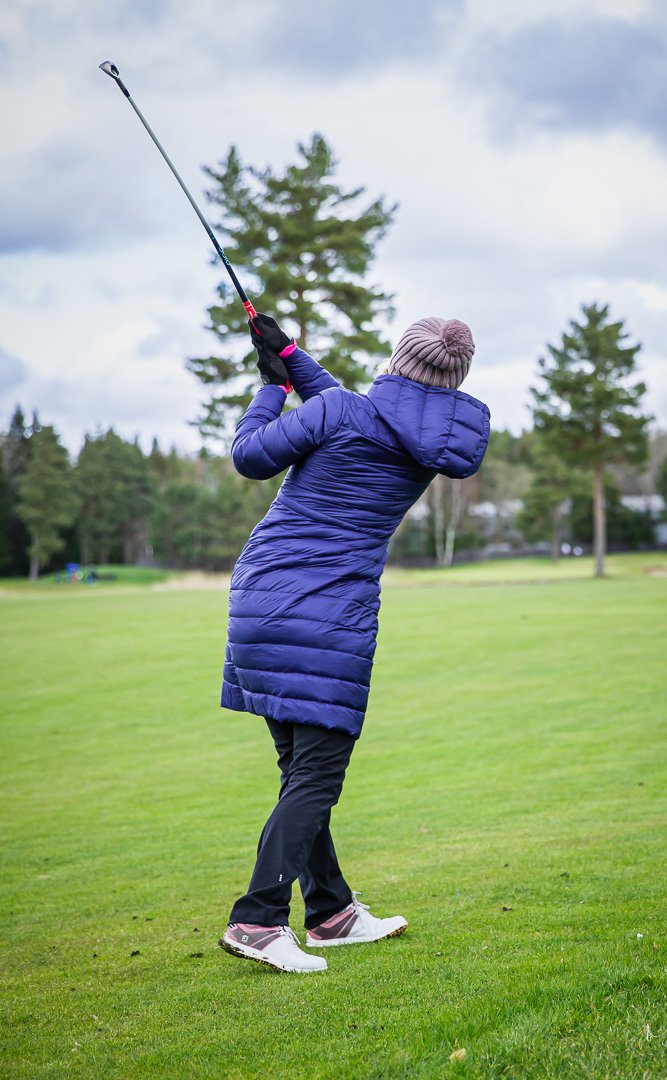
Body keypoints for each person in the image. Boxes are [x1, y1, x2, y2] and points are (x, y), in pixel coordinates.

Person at [218, 313, 490, 973]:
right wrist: (288, 353)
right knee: (313, 776)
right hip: (330, 619)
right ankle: (257, 919)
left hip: (262, 603)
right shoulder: (429, 441)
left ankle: (331, 913)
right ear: (457, 375)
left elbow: (251, 454)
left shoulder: (341, 412)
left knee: (303, 775)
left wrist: (271, 387)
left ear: (398, 358)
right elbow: (359, 409)